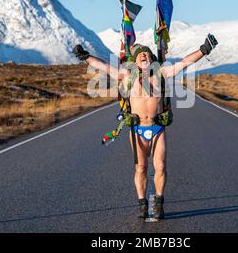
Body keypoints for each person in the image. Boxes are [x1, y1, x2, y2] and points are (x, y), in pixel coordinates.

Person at [73, 34, 218, 219]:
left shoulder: (161, 73)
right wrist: (85, 56)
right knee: (141, 168)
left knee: (160, 167)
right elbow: (104, 66)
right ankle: (142, 204)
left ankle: (158, 203)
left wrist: (204, 49)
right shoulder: (127, 75)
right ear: (135, 60)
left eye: (147, 55)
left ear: (152, 59)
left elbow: (184, 63)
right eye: (140, 55)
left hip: (157, 129)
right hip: (137, 130)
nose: (144, 56)